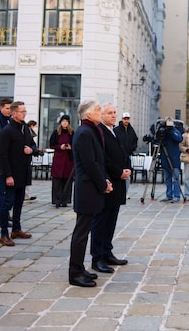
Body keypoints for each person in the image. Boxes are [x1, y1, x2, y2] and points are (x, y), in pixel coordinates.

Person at [69, 100, 112, 287]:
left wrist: (105, 180)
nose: (100, 111)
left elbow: (98, 161)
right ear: (88, 115)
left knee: (85, 231)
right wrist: (103, 183)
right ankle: (75, 273)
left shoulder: (91, 130)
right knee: (81, 232)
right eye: (97, 109)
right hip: (87, 187)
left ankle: (80, 267)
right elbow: (90, 164)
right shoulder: (84, 132)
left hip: (92, 186)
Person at [91, 103, 131, 273]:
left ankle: (107, 252)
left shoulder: (114, 130)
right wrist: (118, 172)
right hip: (107, 181)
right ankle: (97, 257)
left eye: (115, 112)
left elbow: (122, 152)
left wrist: (126, 169)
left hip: (118, 182)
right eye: (109, 113)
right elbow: (103, 159)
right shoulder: (99, 132)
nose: (114, 115)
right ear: (102, 115)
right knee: (101, 221)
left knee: (111, 220)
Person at [0, 101, 38, 247]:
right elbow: (3, 155)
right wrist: (8, 175)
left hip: (23, 172)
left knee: (19, 203)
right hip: (11, 174)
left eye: (25, 111)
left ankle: (16, 229)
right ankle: (4, 234)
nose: (24, 114)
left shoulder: (25, 128)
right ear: (14, 113)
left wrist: (31, 150)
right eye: (22, 111)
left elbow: (33, 145)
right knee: (7, 204)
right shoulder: (7, 131)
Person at [49, 115, 74, 208]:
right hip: (59, 159)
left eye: (66, 121)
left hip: (68, 160)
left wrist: (70, 147)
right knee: (57, 180)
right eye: (63, 121)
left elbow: (75, 144)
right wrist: (60, 147)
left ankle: (65, 200)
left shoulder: (72, 133)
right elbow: (52, 144)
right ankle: (57, 200)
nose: (65, 123)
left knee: (67, 180)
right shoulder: (56, 133)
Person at [113, 112, 138, 199]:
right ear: (122, 119)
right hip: (119, 155)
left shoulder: (131, 130)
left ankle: (126, 192)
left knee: (127, 173)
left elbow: (135, 140)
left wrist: (133, 148)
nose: (126, 120)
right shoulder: (117, 130)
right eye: (125, 119)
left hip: (128, 155)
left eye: (128, 119)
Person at [158, 117, 183, 203]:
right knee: (167, 178)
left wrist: (171, 131)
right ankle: (169, 195)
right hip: (165, 159)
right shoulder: (163, 131)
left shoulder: (175, 130)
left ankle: (176, 195)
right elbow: (157, 139)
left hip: (174, 159)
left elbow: (179, 139)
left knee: (175, 178)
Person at [24, 120, 39, 201]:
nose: (36, 128)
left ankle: (26, 194)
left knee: (27, 177)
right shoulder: (28, 132)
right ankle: (25, 195)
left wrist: (34, 150)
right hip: (24, 158)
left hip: (28, 157)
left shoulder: (30, 133)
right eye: (36, 126)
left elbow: (33, 145)